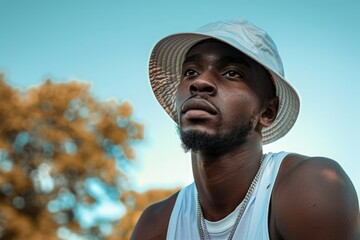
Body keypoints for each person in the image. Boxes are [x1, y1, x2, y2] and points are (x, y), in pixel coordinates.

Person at [131, 19, 360, 239]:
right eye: (190, 71)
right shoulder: (156, 224)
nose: (200, 82)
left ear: (267, 112)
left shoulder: (312, 186)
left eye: (232, 73)